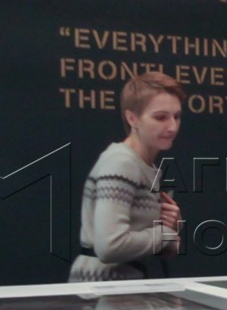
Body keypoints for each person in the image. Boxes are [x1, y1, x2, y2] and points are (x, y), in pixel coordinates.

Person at [69, 72, 185, 283]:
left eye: (176, 116)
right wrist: (165, 233)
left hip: (119, 288)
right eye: (161, 117)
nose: (172, 126)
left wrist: (170, 230)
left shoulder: (143, 166)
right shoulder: (121, 163)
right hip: (102, 289)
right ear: (132, 118)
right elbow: (110, 246)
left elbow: (163, 248)